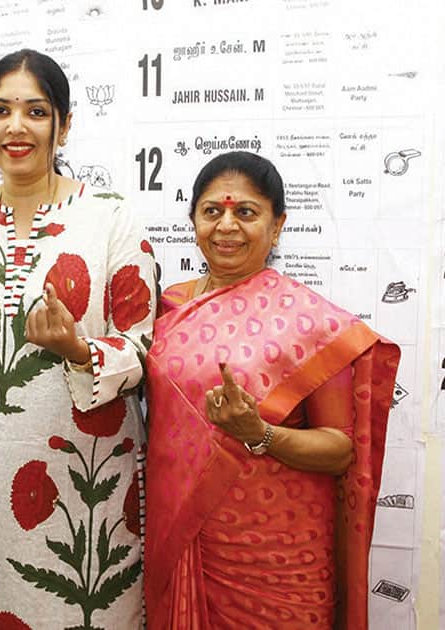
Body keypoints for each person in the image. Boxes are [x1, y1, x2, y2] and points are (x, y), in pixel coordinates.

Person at [0, 49, 156, 629]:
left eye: (36, 111)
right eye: (0, 110)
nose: (16, 127)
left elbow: (144, 347)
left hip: (89, 479)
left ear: (64, 124)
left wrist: (80, 351)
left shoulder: (111, 219)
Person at [143, 151, 400, 629]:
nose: (226, 226)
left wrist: (258, 432)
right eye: (212, 211)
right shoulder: (166, 308)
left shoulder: (309, 323)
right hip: (185, 537)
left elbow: (340, 449)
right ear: (193, 219)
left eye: (246, 212)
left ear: (277, 225)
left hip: (278, 557)